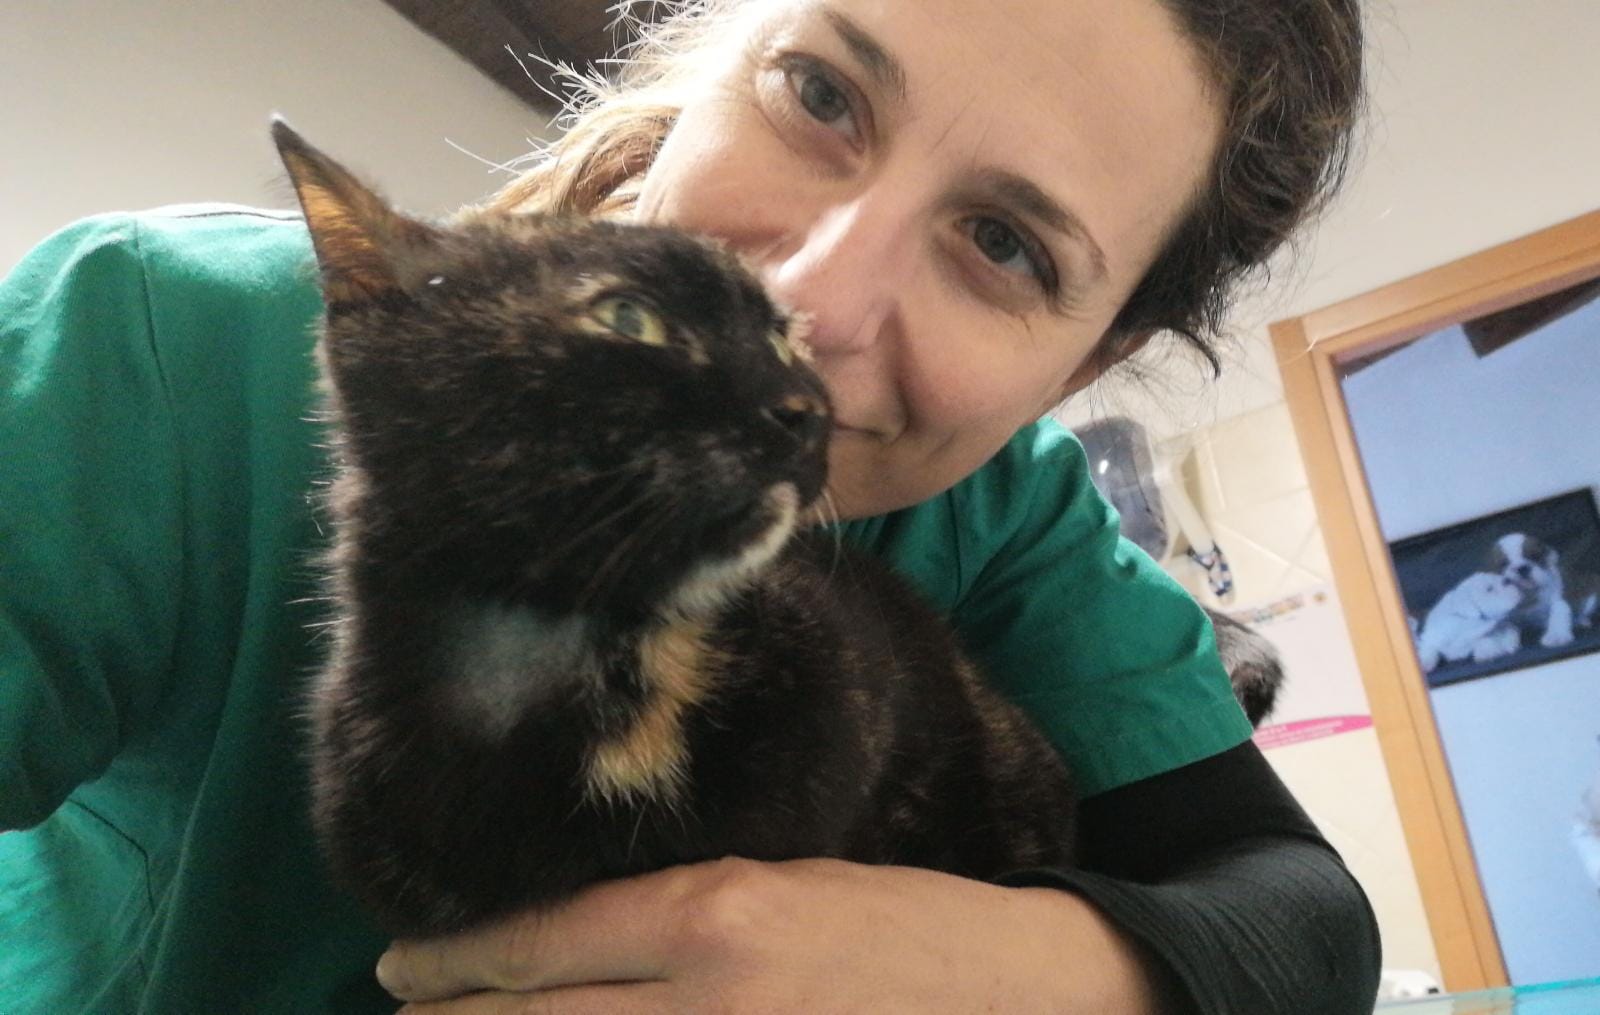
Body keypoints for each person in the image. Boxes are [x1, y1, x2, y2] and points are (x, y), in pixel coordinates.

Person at [0, 0, 1379, 1011]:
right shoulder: (173, 340)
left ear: (1082, 370)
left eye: (1005, 246)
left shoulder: (1002, 516)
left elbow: (1308, 920)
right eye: (821, 94)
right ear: (704, 61)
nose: (809, 302)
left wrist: (994, 970)